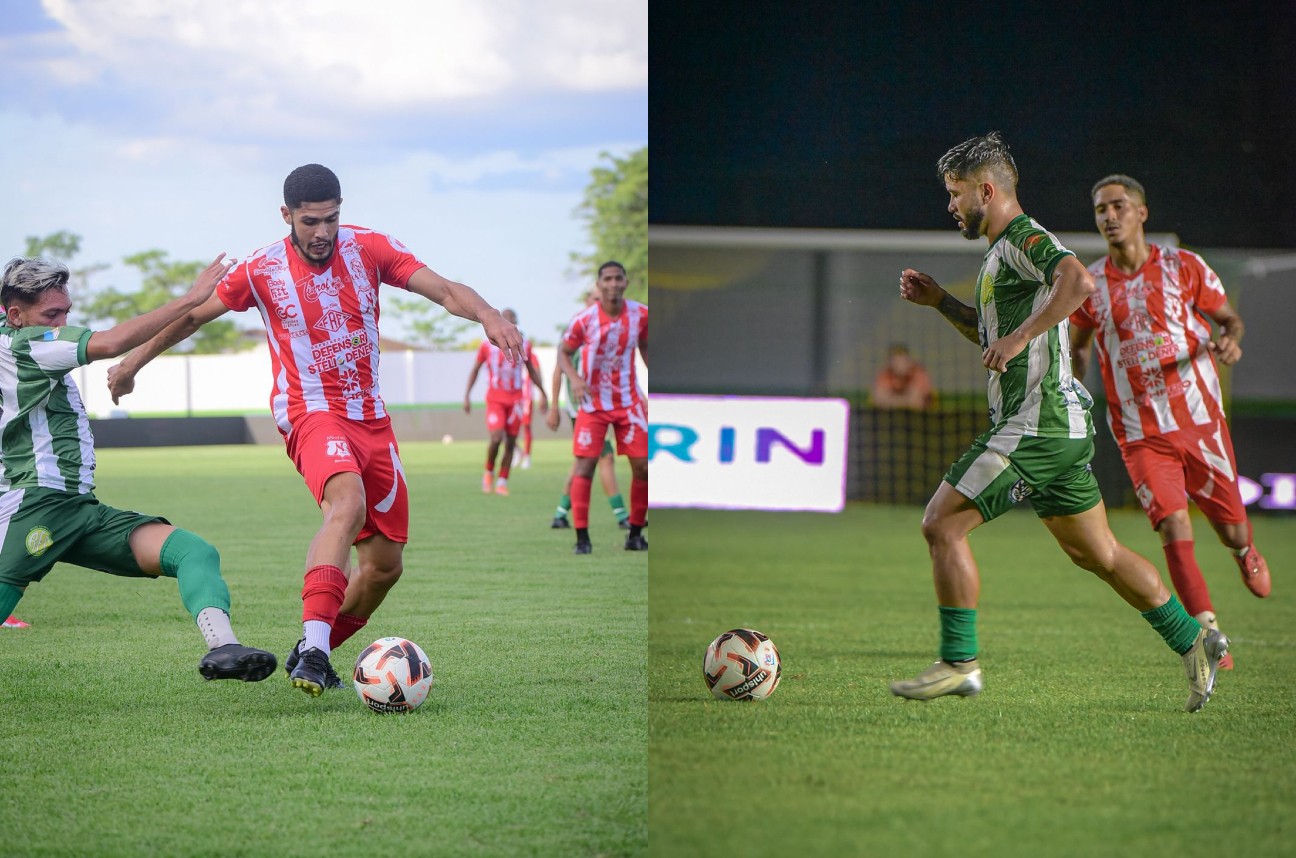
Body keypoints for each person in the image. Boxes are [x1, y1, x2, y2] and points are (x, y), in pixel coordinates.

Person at [107, 164, 523, 697]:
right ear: (287, 216)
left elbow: (441, 289)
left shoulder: (368, 248)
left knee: (383, 567)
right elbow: (190, 319)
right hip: (310, 411)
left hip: (372, 418)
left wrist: (488, 314)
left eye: (331, 218)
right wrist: (132, 365)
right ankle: (317, 645)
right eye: (310, 221)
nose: (322, 232)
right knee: (344, 505)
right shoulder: (261, 269)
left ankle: (313, 650)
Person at [890, 132, 1227, 712]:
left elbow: (1080, 281)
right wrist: (943, 302)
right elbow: (993, 335)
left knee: (940, 526)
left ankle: (959, 662)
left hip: (1037, 421)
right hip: (1057, 424)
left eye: (955, 193)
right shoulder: (999, 252)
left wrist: (1021, 336)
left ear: (986, 190)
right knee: (1100, 555)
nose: (950, 205)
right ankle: (1194, 640)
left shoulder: (1024, 236)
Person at [0, 255, 277, 681]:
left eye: (65, 312)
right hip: (37, 504)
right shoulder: (27, 344)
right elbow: (110, 343)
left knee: (192, 551)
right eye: (51, 314)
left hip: (76, 509)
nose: (61, 322)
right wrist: (192, 297)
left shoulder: (19, 343)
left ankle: (225, 649)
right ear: (15, 315)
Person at [1070, 175, 1270, 670]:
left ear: (1142, 213)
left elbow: (1229, 320)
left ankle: (1244, 552)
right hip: (1140, 433)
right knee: (1172, 523)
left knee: (1231, 531)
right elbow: (1075, 345)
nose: (1109, 216)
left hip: (1200, 421)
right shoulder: (1091, 287)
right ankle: (1208, 633)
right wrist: (1074, 385)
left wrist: (1231, 340)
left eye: (1118, 206)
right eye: (1100, 210)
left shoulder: (1183, 267)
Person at [551, 262, 647, 554]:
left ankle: (634, 534)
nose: (614, 283)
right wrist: (577, 379)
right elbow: (563, 353)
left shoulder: (641, 314)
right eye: (608, 279)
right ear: (600, 284)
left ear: (626, 283)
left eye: (619, 278)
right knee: (586, 466)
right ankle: (582, 538)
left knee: (642, 466)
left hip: (628, 402)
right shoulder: (584, 320)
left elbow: (645, 344)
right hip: (593, 404)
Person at [548, 290, 631, 531]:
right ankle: (621, 515)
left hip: (603, 403)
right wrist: (554, 406)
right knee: (602, 456)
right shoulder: (578, 328)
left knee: (586, 460)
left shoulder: (609, 329)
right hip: (582, 405)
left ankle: (561, 513)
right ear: (586, 302)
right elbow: (558, 370)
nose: (600, 302)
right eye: (595, 298)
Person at [462, 308, 548, 496]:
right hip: (495, 398)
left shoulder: (524, 344)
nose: (509, 324)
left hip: (516, 399)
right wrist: (467, 395)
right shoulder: (487, 346)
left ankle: (502, 480)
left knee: (510, 441)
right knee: (496, 438)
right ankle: (489, 471)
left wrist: (543, 393)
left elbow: (531, 370)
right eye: (506, 320)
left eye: (513, 321)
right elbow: (475, 370)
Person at [871, 343, 934, 409]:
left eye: (902, 359)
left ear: (908, 360)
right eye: (895, 359)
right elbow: (878, 400)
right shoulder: (884, 374)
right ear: (889, 361)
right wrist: (905, 401)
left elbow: (915, 403)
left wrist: (890, 400)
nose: (899, 363)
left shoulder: (919, 373)